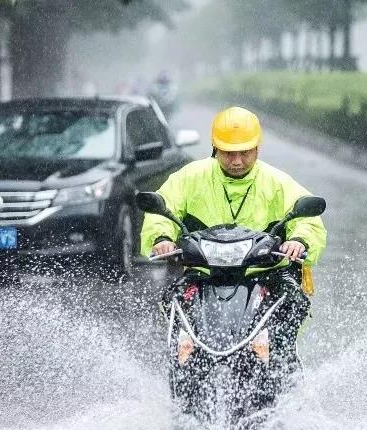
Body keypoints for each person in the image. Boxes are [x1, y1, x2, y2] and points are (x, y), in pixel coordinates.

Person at [140, 106, 327, 367]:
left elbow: (307, 219)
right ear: (215, 148)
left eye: (244, 152)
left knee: (293, 302)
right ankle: (181, 365)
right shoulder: (190, 177)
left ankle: (284, 367)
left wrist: (299, 240)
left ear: (257, 149)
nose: (237, 161)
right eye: (228, 153)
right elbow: (164, 208)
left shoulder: (277, 182)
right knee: (173, 299)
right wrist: (161, 237)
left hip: (265, 273)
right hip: (204, 272)